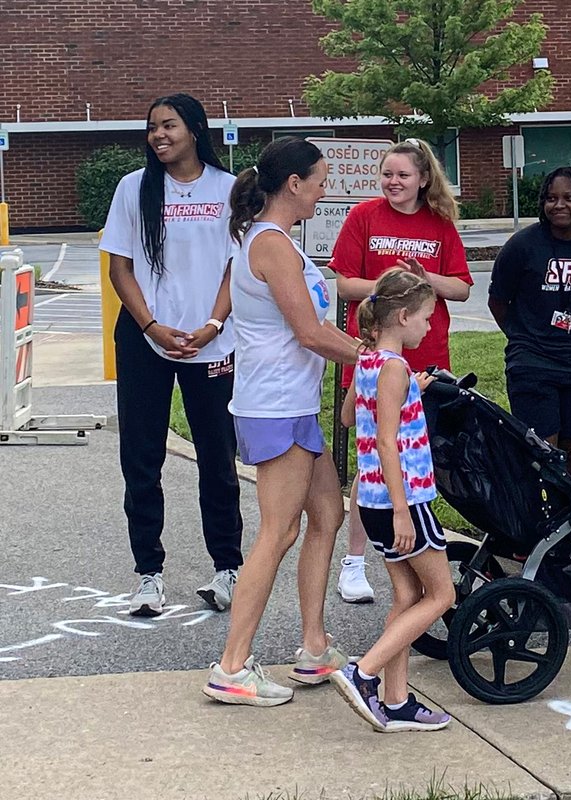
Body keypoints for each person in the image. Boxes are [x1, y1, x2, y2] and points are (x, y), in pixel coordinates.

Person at [202, 138, 363, 707]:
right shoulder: (270, 244)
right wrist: (376, 359)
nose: (326, 189)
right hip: (274, 406)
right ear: (293, 184)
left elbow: (318, 326)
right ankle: (231, 666)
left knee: (326, 514)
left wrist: (362, 345)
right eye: (319, 179)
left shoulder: (278, 242)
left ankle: (314, 650)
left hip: (293, 404)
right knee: (278, 532)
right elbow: (309, 332)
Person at [100, 93, 243, 617]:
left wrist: (212, 324)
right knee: (141, 459)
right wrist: (152, 326)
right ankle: (148, 575)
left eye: (169, 126)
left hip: (212, 342)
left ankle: (227, 567)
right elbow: (121, 268)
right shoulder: (133, 189)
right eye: (152, 128)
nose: (159, 135)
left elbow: (236, 268)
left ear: (196, 129)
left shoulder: (229, 190)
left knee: (216, 458)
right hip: (145, 342)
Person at [329, 138, 471, 605]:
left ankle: (410, 541)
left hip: (425, 353)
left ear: (423, 179)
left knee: (413, 450)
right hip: (375, 350)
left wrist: (424, 280)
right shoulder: (364, 217)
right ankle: (354, 561)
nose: (393, 182)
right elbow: (346, 282)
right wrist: (395, 291)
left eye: (403, 175)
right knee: (373, 452)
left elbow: (463, 288)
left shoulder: (440, 223)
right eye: (387, 174)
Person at [330, 268, 455, 732]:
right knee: (443, 594)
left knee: (407, 593)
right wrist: (404, 510)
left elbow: (348, 416)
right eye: (425, 317)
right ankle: (363, 674)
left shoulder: (367, 363)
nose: (428, 326)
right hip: (402, 501)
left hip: (372, 503)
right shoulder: (396, 368)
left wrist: (407, 395)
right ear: (403, 316)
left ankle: (398, 700)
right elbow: (386, 442)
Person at [487, 166, 571, 481]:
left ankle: (569, 524)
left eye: (569, 198)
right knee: (544, 456)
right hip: (532, 364)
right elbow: (497, 302)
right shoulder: (522, 246)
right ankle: (538, 523)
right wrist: (526, 337)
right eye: (551, 198)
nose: (559, 205)